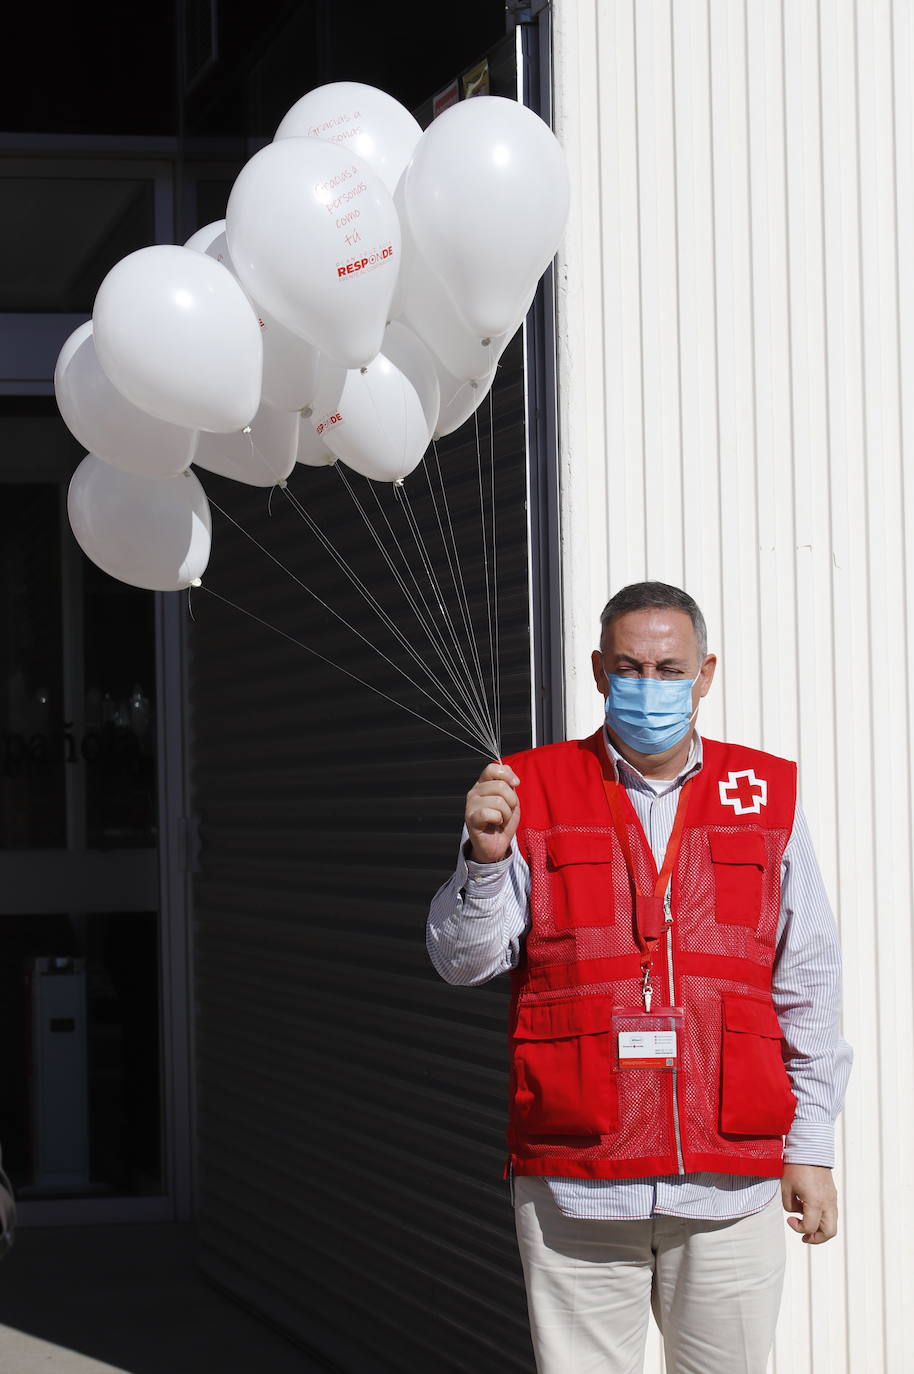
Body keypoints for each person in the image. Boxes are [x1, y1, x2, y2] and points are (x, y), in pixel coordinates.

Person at [426, 581, 851, 1374]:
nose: (648, 685)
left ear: (706, 673)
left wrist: (813, 1146)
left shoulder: (762, 795)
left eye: (668, 667)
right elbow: (462, 961)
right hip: (577, 1180)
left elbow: (810, 980)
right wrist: (485, 858)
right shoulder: (528, 790)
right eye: (630, 666)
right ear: (596, 670)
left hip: (730, 1183)